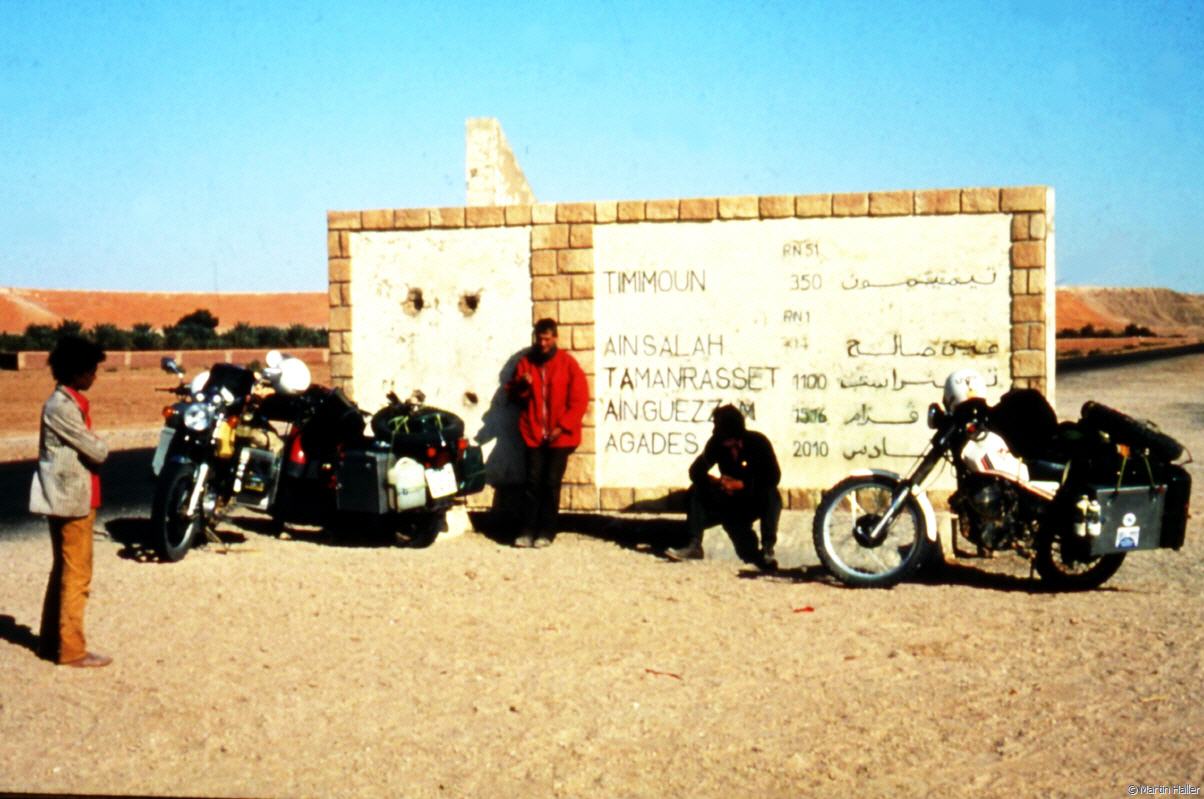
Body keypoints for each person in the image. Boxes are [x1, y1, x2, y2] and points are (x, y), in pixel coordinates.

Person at [29, 335, 111, 668]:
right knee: (78, 574)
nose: (94, 376)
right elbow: (97, 450)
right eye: (91, 371)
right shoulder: (62, 407)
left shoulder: (64, 402)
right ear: (77, 372)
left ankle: (52, 642)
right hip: (70, 499)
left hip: (69, 495)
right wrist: (101, 445)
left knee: (64, 569)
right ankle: (72, 649)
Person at [666, 404, 781, 571]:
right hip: (728, 501)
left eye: (718, 427)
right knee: (696, 491)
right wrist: (717, 482)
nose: (714, 431)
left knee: (772, 495)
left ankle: (768, 550)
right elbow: (695, 471)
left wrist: (741, 484)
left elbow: (773, 477)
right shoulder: (715, 444)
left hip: (751, 500)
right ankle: (694, 545)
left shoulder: (758, 442)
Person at [506, 318, 589, 548]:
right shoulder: (526, 363)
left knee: (551, 483)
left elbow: (579, 400)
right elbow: (514, 396)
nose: (542, 343)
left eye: (547, 339)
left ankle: (547, 531)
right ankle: (527, 530)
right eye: (539, 339)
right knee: (532, 483)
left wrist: (561, 427)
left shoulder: (567, 364)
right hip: (533, 433)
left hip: (560, 436)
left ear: (555, 338)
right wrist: (522, 385)